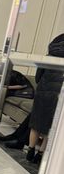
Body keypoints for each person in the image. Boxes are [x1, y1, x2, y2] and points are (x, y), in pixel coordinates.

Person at [26, 33, 64, 164]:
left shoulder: (47, 57)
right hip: (58, 97)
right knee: (51, 126)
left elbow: (37, 78)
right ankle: (41, 153)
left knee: (36, 123)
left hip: (42, 93)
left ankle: (30, 150)